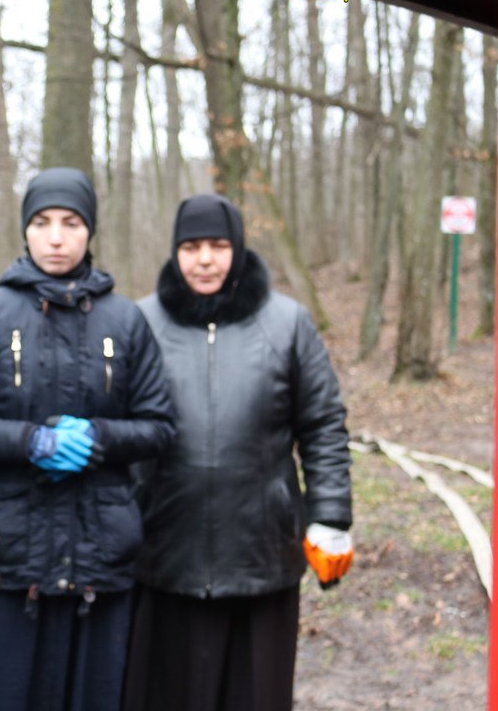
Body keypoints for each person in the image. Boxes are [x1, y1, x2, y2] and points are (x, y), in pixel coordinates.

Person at [0, 167, 176, 711]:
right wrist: (31, 442)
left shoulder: (126, 321)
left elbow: (159, 425)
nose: (56, 237)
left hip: (99, 553)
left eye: (71, 223)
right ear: (25, 229)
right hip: (8, 553)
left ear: (90, 230)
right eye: (42, 222)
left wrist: (98, 437)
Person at [122, 193, 354, 711]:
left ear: (239, 247)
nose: (204, 259)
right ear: (175, 251)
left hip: (260, 555)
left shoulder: (287, 324)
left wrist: (331, 515)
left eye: (217, 245)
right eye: (191, 247)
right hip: (164, 552)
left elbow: (322, 426)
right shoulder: (141, 322)